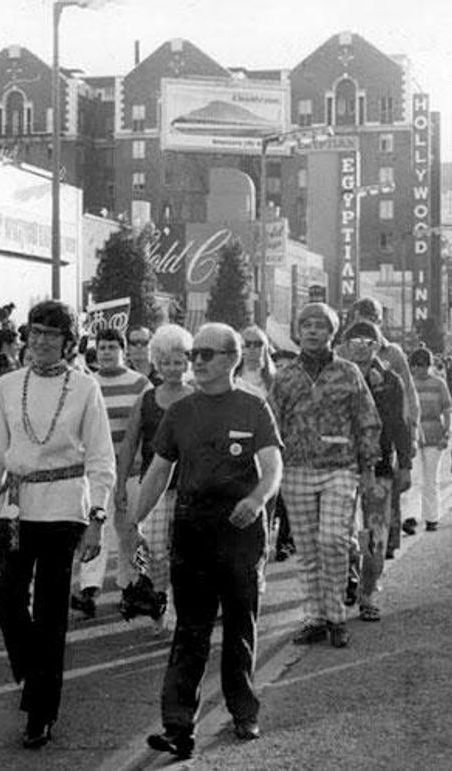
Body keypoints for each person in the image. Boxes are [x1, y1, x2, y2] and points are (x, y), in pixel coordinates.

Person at [134, 322, 283, 758]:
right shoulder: (180, 411)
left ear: (232, 358)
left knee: (239, 626)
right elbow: (158, 472)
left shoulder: (253, 407)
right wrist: (132, 526)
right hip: (194, 530)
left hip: (239, 532)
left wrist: (257, 500)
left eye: (206, 354)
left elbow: (273, 465)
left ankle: (243, 711)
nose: (196, 361)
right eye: (193, 353)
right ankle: (178, 727)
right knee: (191, 631)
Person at [0, 299, 115, 749]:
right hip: (15, 509)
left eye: (51, 334)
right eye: (33, 333)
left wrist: (96, 520)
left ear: (69, 341)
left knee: (52, 613)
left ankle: (40, 713)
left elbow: (101, 460)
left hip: (65, 511)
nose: (39, 341)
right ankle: (35, 674)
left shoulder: (85, 388)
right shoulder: (8, 385)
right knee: (6, 597)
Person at [270, 303, 381, 648]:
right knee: (307, 549)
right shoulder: (285, 376)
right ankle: (314, 617)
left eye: (321, 326)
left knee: (333, 541)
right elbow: (271, 423)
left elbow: (367, 420)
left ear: (332, 334)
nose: (313, 331)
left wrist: (368, 470)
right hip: (296, 470)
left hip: (340, 468)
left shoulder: (348, 372)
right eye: (307, 326)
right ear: (298, 332)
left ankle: (336, 617)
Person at [117, 323, 194, 632]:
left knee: (186, 552)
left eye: (179, 361)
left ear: (187, 362)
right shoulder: (147, 400)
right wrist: (121, 483)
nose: (173, 368)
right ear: (156, 363)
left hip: (190, 489)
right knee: (156, 550)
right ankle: (160, 599)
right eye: (166, 362)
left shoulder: (196, 398)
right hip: (156, 489)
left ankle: (180, 611)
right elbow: (129, 444)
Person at [72, 327, 151, 619]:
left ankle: (129, 586)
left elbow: (146, 425)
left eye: (112, 347)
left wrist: (140, 456)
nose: (106, 352)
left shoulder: (139, 383)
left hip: (131, 469)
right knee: (96, 529)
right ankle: (89, 589)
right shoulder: (85, 384)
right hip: (97, 473)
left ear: (123, 350)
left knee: (130, 530)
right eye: (102, 347)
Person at [339, 321, 412, 622]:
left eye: (367, 340)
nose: (360, 345)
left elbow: (400, 424)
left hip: (380, 469)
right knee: (339, 534)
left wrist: (405, 464)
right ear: (344, 345)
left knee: (376, 535)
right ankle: (347, 583)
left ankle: (368, 594)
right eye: (354, 340)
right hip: (339, 468)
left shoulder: (390, 381)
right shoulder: (334, 377)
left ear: (377, 344)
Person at [348, 298, 420, 550]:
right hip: (345, 454)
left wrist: (412, 435)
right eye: (360, 318)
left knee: (385, 503)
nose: (361, 345)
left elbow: (407, 395)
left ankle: (384, 545)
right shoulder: (340, 359)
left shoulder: (394, 356)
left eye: (371, 318)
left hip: (382, 447)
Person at [237, 325, 295, 562]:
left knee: (266, 510)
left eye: (257, 344)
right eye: (247, 344)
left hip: (268, 452)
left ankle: (259, 566)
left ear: (265, 347)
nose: (252, 349)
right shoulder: (232, 378)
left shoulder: (276, 381)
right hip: (237, 453)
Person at [409, 347, 452, 532]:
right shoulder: (408, 384)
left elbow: (447, 410)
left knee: (430, 480)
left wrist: (447, 434)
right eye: (416, 365)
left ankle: (431, 518)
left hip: (435, 434)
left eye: (423, 365)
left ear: (430, 366)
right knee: (414, 478)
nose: (419, 369)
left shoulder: (439, 383)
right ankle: (411, 518)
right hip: (413, 435)